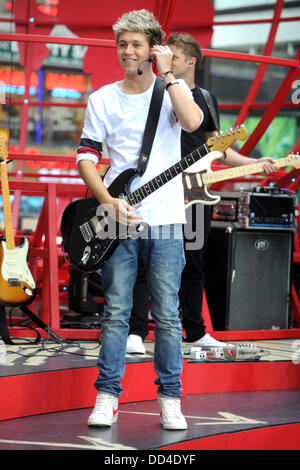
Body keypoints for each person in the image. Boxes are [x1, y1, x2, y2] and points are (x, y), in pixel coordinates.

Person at [76, 12, 203, 430]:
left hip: (166, 220)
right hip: (118, 218)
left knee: (167, 314)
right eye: (122, 44)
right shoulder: (102, 99)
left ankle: (170, 398)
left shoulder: (173, 91)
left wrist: (169, 75)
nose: (127, 52)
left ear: (153, 48)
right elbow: (87, 158)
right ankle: (107, 395)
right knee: (116, 311)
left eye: (136, 44)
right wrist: (107, 201)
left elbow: (194, 123)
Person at [126, 32, 276, 355]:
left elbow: (218, 149)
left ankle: (194, 331)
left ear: (190, 62)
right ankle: (135, 330)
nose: (167, 61)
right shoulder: (157, 93)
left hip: (196, 192)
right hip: (158, 190)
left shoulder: (206, 98)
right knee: (142, 258)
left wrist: (255, 163)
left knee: (194, 261)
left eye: (174, 57)